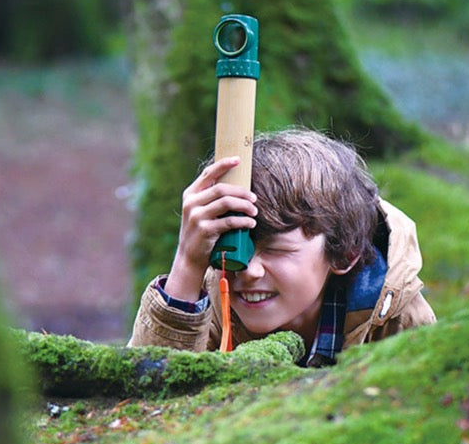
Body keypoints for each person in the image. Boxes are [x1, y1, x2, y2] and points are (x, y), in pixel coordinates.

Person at [128, 128, 436, 366]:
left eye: (275, 249)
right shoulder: (210, 303)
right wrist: (187, 261)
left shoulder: (395, 317)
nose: (247, 271)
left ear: (345, 252)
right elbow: (142, 402)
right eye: (238, 246)